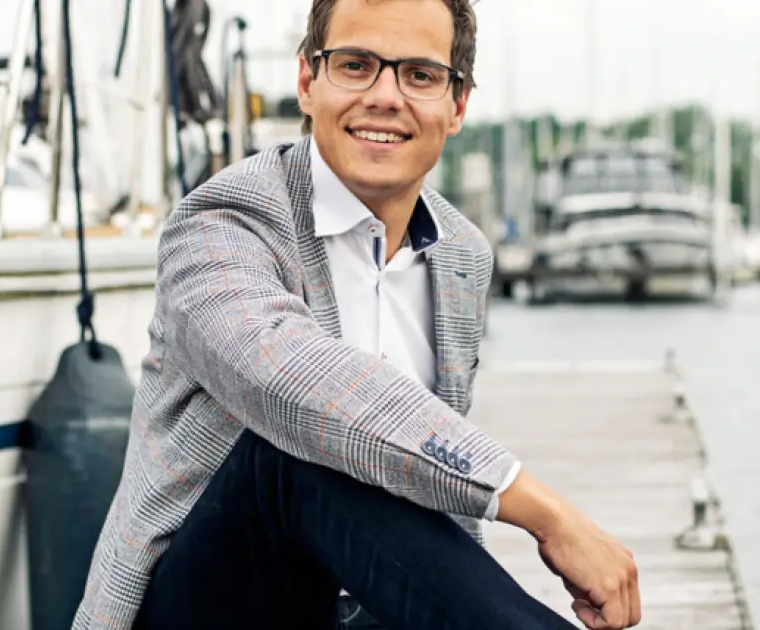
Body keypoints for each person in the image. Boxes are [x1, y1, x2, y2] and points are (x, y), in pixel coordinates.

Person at [73, 0, 641, 628]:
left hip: (359, 605)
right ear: (307, 81)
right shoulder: (220, 225)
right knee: (301, 449)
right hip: (210, 602)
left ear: (457, 106)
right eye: (355, 65)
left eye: (420, 75)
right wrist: (546, 513)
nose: (385, 97)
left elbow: (426, 511)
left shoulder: (462, 255)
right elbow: (295, 383)